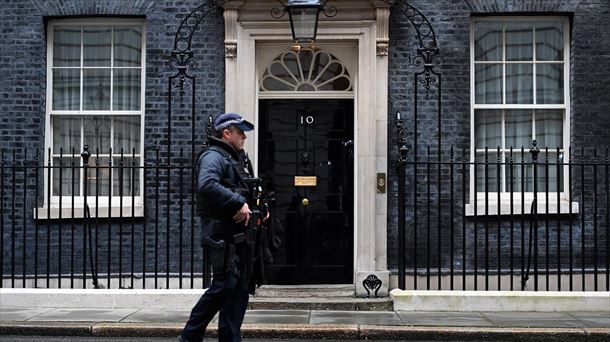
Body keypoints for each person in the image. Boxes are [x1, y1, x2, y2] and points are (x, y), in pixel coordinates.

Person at [179, 113, 255, 342]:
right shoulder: (213, 156)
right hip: (219, 233)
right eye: (240, 132)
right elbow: (207, 184)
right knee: (224, 285)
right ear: (226, 133)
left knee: (238, 290)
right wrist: (238, 202)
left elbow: (243, 189)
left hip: (236, 234)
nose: (244, 137)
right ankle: (190, 337)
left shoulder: (236, 158)